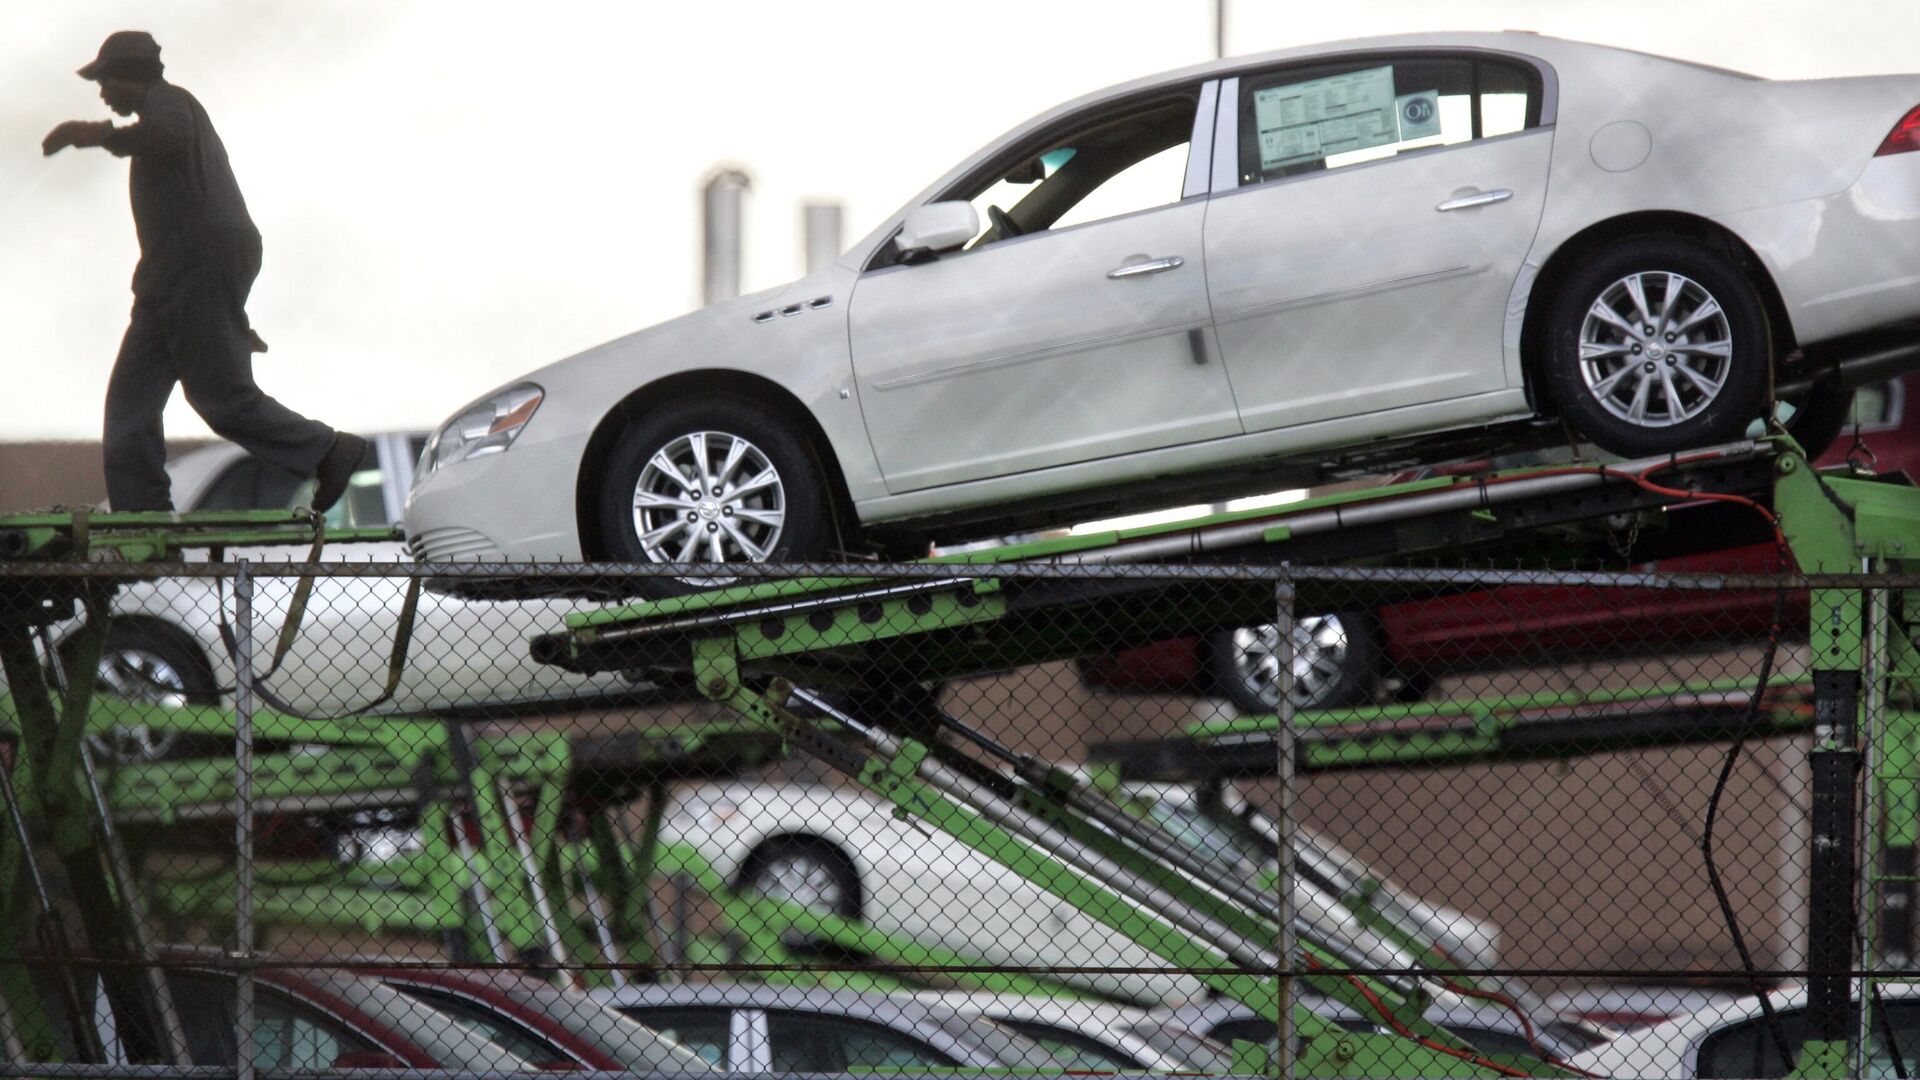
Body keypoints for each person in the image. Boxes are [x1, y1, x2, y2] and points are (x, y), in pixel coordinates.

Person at [41, 30, 365, 513]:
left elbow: (168, 138)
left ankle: (327, 450)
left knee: (221, 397)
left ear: (128, 77)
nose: (104, 95)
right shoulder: (160, 113)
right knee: (131, 404)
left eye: (105, 82)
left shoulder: (170, 105)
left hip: (194, 273)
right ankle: (141, 515)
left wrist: (97, 134)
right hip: (165, 285)